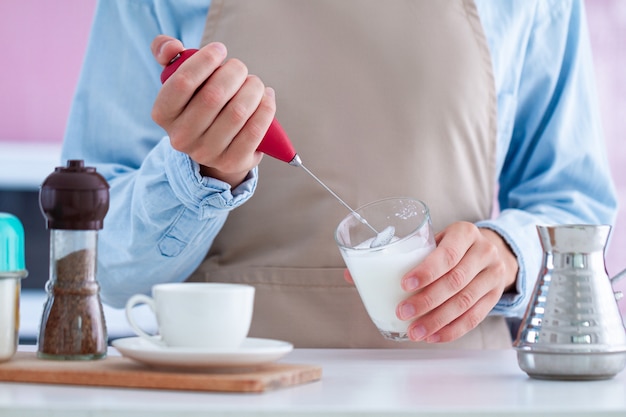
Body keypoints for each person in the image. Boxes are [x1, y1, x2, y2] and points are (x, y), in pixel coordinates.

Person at [62, 0, 617, 348]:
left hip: (455, 394)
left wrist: (508, 254)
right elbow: (100, 264)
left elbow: (574, 211)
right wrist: (201, 175)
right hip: (221, 391)